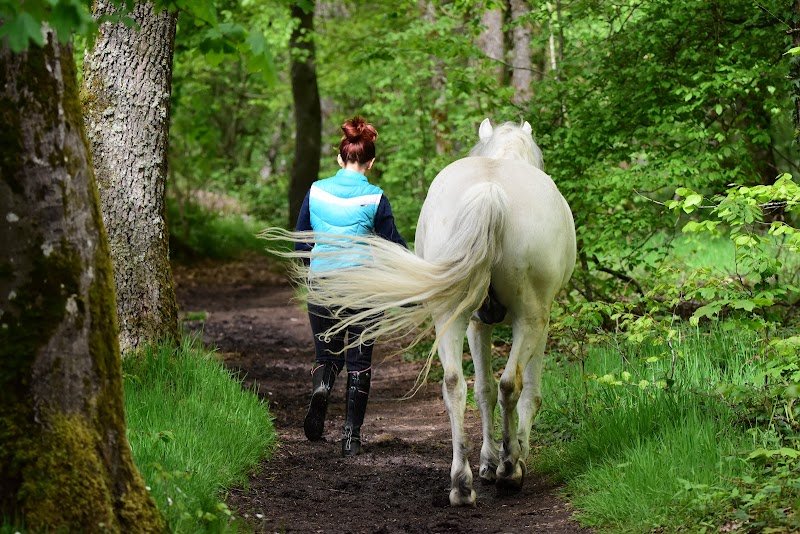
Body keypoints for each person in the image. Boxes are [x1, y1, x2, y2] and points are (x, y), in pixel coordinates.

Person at [295, 116, 407, 456]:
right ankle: (350, 439)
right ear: (370, 163)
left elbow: (302, 245)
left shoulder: (315, 190)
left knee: (326, 354)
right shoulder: (376, 198)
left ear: (340, 158)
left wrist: (311, 277)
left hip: (323, 285)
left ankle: (323, 385)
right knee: (360, 362)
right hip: (362, 288)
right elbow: (394, 247)